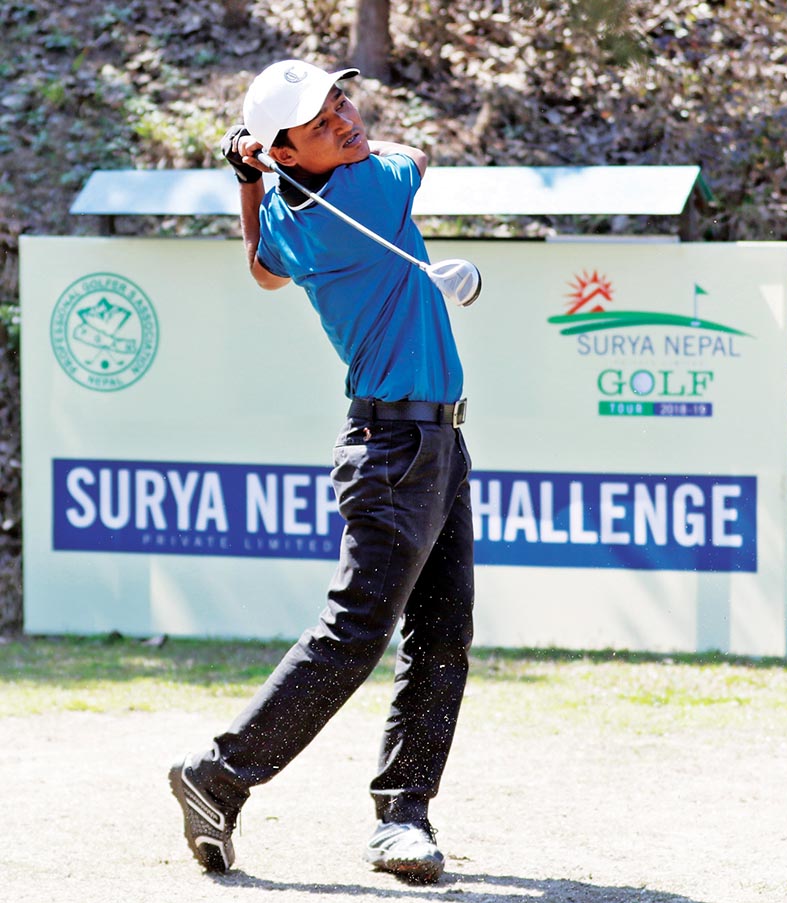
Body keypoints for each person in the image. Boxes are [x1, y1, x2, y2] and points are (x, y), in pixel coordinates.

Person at [168, 58, 475, 885]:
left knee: (441, 636)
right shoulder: (368, 192)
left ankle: (404, 814)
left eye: (340, 98)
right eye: (320, 120)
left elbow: (264, 266)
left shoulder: (291, 209)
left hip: (431, 443)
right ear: (290, 152)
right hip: (396, 447)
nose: (345, 116)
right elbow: (418, 155)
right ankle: (219, 774)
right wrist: (270, 172)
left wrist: (253, 179)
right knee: (355, 634)